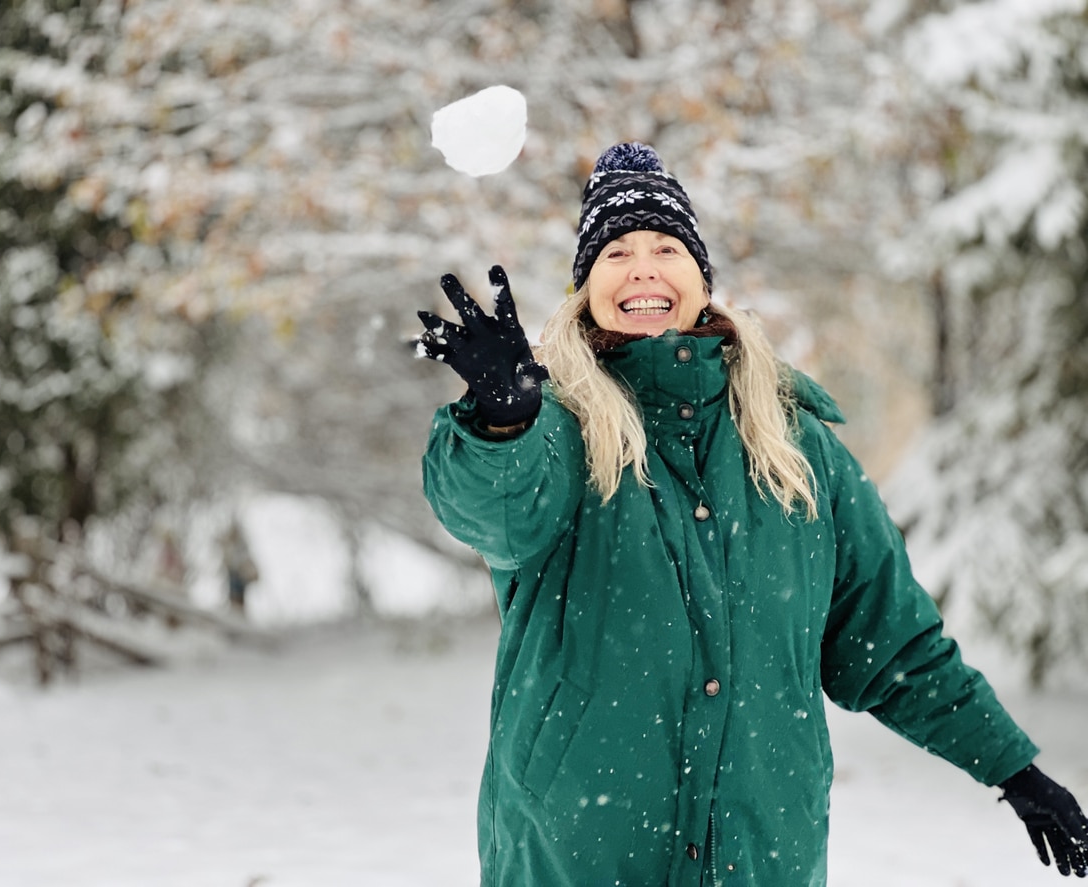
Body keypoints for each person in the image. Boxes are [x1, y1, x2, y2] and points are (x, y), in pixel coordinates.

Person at [415, 142, 1088, 886]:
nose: (643, 267)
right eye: (616, 252)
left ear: (701, 279)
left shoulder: (794, 447)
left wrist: (1011, 768)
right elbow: (493, 511)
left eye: (666, 247)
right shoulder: (556, 433)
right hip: (578, 852)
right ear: (585, 286)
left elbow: (888, 643)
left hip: (759, 850)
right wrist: (501, 421)